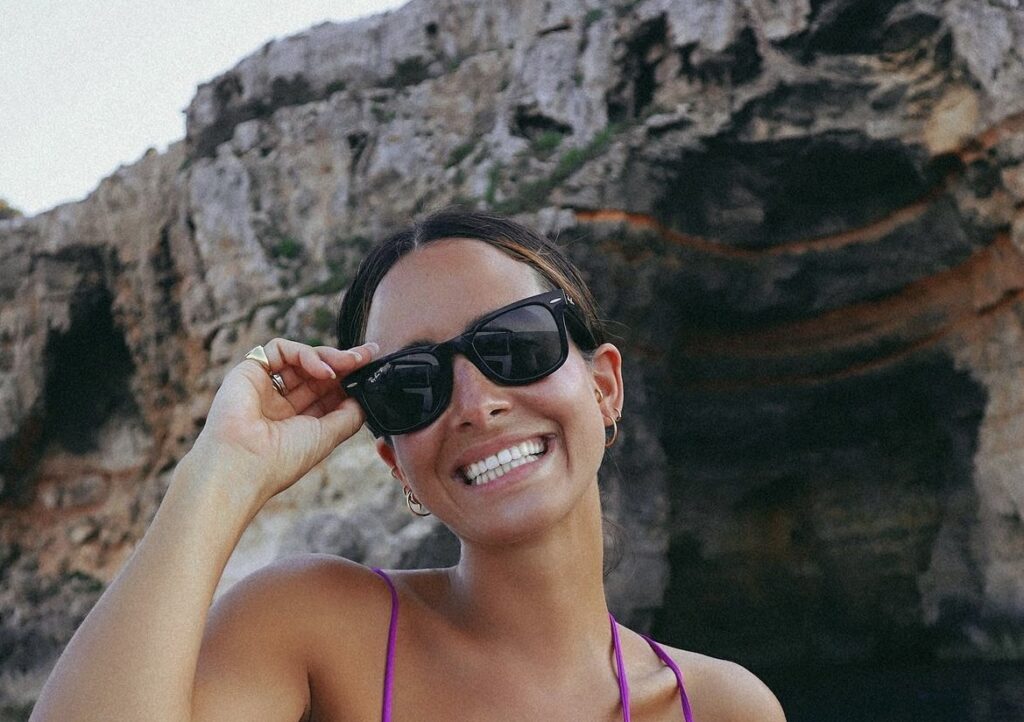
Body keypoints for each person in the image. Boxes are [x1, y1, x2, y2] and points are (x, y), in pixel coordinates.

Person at [31, 209, 786, 721]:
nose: (474, 402)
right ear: (394, 460)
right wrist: (218, 473)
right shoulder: (315, 628)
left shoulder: (724, 707)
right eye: (410, 385)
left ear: (604, 386)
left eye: (514, 344)